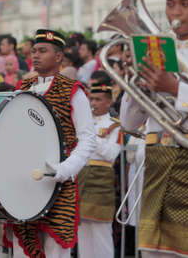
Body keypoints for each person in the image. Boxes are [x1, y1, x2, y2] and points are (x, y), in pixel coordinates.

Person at [120, 0, 188, 257]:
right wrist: (138, 83)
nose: (175, 12)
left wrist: (175, 89)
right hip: (156, 169)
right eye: (171, 4)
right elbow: (128, 122)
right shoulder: (155, 52)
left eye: (186, 4)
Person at [8, 29, 96, 258]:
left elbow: (87, 138)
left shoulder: (73, 91)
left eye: (42, 51)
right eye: (34, 51)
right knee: (22, 251)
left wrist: (65, 169)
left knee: (57, 251)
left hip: (59, 183)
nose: (35, 55)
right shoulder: (21, 90)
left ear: (58, 57)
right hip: (24, 184)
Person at [77, 80, 120, 258]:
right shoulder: (82, 123)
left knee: (101, 230)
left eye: (98, 99)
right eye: (91, 99)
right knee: (82, 230)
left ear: (109, 102)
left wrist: (92, 137)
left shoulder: (115, 125)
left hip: (101, 179)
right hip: (81, 176)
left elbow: (111, 154)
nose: (93, 103)